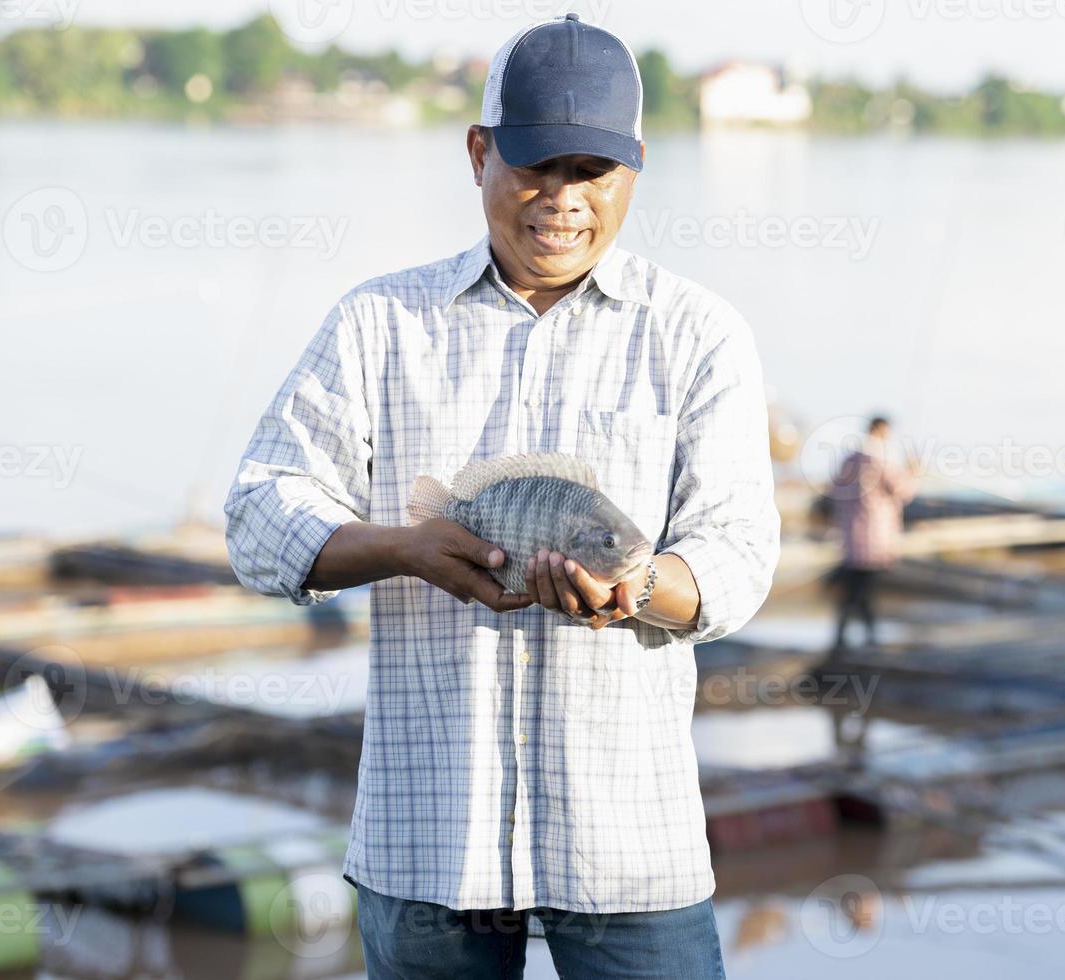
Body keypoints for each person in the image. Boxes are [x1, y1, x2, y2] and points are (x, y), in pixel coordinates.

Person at [223, 14, 779, 980]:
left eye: (591, 172)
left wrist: (639, 587)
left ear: (635, 170)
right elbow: (259, 513)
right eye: (533, 166)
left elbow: (737, 556)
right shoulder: (379, 322)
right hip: (427, 840)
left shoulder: (699, 336)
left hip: (628, 851)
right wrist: (402, 548)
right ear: (478, 153)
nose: (561, 200)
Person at [829, 416, 918, 650]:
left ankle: (844, 637)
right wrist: (913, 471)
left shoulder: (850, 460)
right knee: (863, 590)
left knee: (854, 588)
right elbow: (903, 490)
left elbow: (835, 490)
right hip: (874, 539)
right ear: (881, 432)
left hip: (851, 537)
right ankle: (867, 639)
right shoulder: (880, 461)